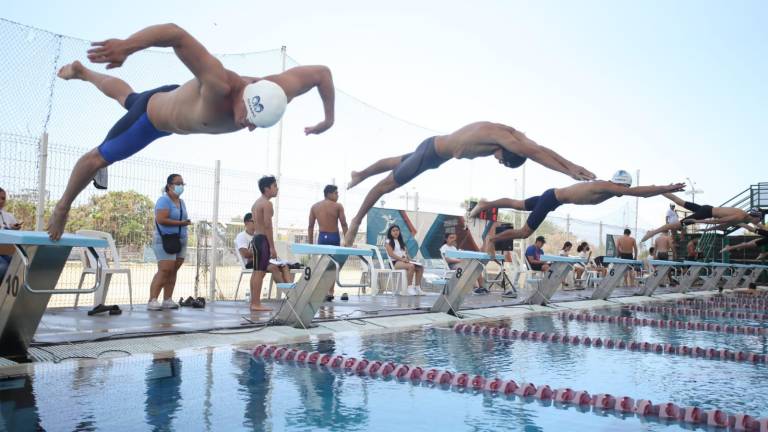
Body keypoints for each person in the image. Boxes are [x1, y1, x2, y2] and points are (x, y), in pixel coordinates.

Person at [49, 23, 336, 240]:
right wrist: (127, 46)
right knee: (96, 159)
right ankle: (62, 207)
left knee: (126, 97)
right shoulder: (219, 84)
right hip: (151, 120)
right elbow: (175, 33)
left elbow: (322, 73)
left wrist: (328, 120)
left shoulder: (278, 89)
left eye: (255, 125)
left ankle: (83, 73)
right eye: (247, 118)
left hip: (175, 105)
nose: (247, 127)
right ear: (244, 96)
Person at [342, 121, 596, 245]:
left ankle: (361, 174)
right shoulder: (508, 141)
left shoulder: (513, 134)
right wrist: (569, 170)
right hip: (432, 153)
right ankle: (355, 221)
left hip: (433, 150)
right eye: (503, 161)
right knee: (386, 185)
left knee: (396, 162)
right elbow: (537, 155)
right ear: (508, 152)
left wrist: (570, 166)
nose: (498, 161)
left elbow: (540, 148)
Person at [471, 171, 685, 242]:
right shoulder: (608, 186)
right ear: (622, 184)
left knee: (518, 204)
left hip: (552, 197)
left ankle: (486, 204)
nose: (625, 191)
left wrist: (662, 188)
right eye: (625, 188)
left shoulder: (608, 188)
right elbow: (639, 192)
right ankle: (492, 239)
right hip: (551, 199)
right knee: (525, 232)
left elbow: (643, 191)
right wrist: (667, 187)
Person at [641, 194, 764, 242]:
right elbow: (719, 220)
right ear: (756, 218)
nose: (759, 222)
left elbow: (723, 226)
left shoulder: (742, 219)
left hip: (707, 209)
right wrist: (698, 221)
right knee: (676, 225)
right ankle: (653, 232)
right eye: (760, 220)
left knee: (680, 202)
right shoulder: (740, 216)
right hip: (705, 212)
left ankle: (660, 190)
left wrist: (707, 230)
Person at [149, 174, 191, 310]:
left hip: (180, 240)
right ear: (169, 185)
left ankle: (167, 299)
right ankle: (152, 300)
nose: (181, 186)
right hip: (165, 240)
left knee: (173, 271)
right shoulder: (163, 200)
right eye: (178, 183)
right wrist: (181, 223)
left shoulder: (182, 202)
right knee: (165, 270)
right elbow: (161, 219)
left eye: (182, 184)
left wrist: (184, 224)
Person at [235, 212, 291, 297]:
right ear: (246, 223)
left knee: (284, 265)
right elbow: (245, 254)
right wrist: (261, 251)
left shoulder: (258, 235)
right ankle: (289, 295)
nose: (256, 223)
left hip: (263, 259)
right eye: (253, 221)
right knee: (273, 267)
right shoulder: (241, 236)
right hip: (252, 262)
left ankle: (291, 291)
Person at [249, 176, 283, 312]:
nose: (277, 188)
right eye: (274, 186)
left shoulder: (256, 203)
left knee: (256, 272)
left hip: (256, 238)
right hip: (262, 239)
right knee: (259, 272)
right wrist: (272, 247)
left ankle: (253, 302)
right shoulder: (267, 204)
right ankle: (256, 303)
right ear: (266, 188)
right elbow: (268, 226)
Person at [308, 185, 348, 301]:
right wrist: (348, 241)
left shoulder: (315, 207)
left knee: (323, 265)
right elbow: (344, 224)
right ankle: (330, 291)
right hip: (333, 237)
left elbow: (310, 226)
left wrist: (310, 245)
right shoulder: (337, 206)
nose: (338, 195)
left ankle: (323, 291)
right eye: (336, 193)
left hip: (322, 238)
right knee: (333, 266)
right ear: (329, 194)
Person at [384, 225, 424, 296]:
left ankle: (418, 288)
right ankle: (409, 287)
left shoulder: (401, 241)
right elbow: (391, 254)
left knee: (420, 267)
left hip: (403, 261)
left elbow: (406, 253)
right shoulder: (388, 242)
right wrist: (402, 259)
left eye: (397, 230)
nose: (396, 232)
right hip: (395, 262)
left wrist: (411, 260)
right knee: (411, 266)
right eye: (393, 230)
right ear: (390, 232)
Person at [0, 187, 22, 281]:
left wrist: (14, 229)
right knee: (3, 267)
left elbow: (14, 235)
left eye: (3, 198)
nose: (1, 201)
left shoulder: (8, 216)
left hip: (6, 250)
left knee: (19, 265)